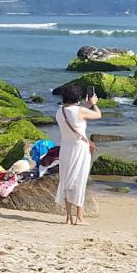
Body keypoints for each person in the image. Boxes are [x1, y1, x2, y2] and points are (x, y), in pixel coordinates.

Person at [55, 84, 102, 225]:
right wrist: (93, 104)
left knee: (66, 181)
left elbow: (74, 112)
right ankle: (79, 217)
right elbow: (98, 115)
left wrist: (86, 105)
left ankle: (68, 217)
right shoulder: (80, 111)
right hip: (80, 149)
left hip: (66, 148)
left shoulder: (59, 112)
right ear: (77, 97)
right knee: (79, 181)